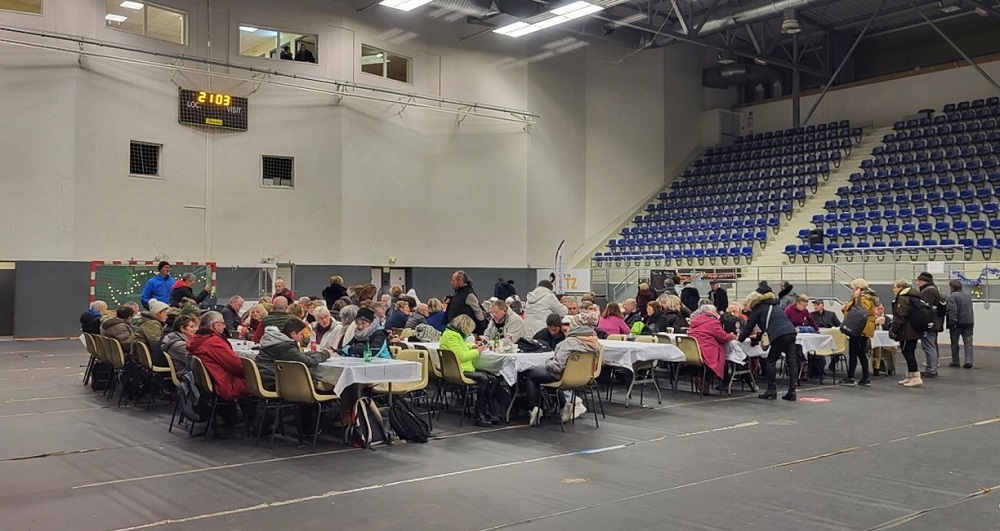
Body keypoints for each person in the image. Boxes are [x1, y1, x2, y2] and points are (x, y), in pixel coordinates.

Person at [521, 312, 600, 427]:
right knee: (549, 379)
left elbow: (557, 367)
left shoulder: (567, 343)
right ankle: (564, 406)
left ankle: (535, 409)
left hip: (563, 376)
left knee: (532, 375)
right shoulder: (594, 342)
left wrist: (548, 362)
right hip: (584, 377)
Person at [187, 311, 251, 433]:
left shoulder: (197, 339)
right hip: (223, 383)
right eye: (223, 323)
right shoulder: (214, 342)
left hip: (211, 381)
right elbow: (236, 366)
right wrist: (252, 373)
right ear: (215, 326)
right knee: (256, 381)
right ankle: (256, 422)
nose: (225, 326)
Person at [440, 314, 498, 427]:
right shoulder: (452, 336)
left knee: (492, 379)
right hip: (460, 370)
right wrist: (478, 351)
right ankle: (479, 413)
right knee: (484, 379)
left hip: (459, 368)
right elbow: (460, 356)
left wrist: (472, 346)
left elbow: (460, 347)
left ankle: (486, 411)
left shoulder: (452, 334)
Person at [739, 291, 798, 401]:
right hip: (791, 332)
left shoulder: (758, 308)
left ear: (752, 301)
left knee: (770, 360)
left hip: (779, 335)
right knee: (792, 361)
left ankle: (771, 390)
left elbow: (749, 326)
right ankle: (792, 391)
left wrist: (739, 340)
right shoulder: (774, 306)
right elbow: (774, 322)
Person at [255, 319, 331, 391]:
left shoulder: (275, 341)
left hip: (264, 378)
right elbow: (308, 361)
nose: (303, 337)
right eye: (301, 334)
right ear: (293, 334)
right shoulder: (285, 347)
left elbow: (298, 355)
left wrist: (316, 353)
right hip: (273, 382)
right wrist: (326, 354)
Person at [687, 304, 735, 394]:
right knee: (714, 358)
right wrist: (732, 335)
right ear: (711, 312)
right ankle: (706, 382)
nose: (716, 313)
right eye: (715, 311)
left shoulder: (695, 320)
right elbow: (723, 337)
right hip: (706, 349)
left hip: (693, 350)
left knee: (707, 360)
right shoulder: (713, 322)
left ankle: (699, 378)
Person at [840, 279, 878, 387]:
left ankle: (852, 377)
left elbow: (860, 311)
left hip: (859, 329)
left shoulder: (862, 299)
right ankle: (864, 378)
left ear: (859, 289)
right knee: (861, 353)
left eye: (854, 288)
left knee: (855, 353)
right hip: (863, 329)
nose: (852, 290)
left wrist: (847, 306)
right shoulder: (867, 298)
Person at [890, 279, 925, 387]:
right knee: (909, 352)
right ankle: (910, 376)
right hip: (914, 329)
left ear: (901, 287)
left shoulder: (903, 298)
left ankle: (915, 377)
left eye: (895, 287)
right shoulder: (914, 296)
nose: (893, 290)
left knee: (908, 353)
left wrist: (893, 330)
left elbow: (901, 315)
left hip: (906, 330)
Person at [916, 272, 945, 378]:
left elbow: (925, 308)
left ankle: (931, 369)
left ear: (925, 281)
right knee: (932, 345)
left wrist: (923, 322)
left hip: (930, 323)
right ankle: (932, 367)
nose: (917, 283)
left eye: (919, 281)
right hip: (935, 322)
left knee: (928, 346)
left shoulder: (928, 292)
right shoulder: (934, 289)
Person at [446, 270, 486, 335]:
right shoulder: (457, 293)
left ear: (460, 281)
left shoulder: (469, 295)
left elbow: (478, 312)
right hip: (455, 328)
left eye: (453, 280)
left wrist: (482, 329)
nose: (451, 282)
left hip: (464, 330)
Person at [946, 279, 975, 369]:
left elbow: (953, 310)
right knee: (968, 343)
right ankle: (968, 361)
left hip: (958, 322)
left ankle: (955, 361)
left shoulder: (953, 296)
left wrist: (952, 322)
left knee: (954, 343)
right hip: (969, 322)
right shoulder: (967, 296)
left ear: (952, 287)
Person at [133, 299, 169, 366]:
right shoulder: (152, 324)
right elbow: (156, 343)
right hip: (150, 358)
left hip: (145, 357)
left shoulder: (149, 322)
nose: (167, 316)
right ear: (158, 313)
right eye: (166, 313)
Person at [871, 302, 894, 376]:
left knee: (890, 347)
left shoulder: (887, 319)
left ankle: (890, 368)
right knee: (878, 347)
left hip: (885, 340)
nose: (881, 311)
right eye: (879, 309)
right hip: (871, 341)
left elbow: (891, 329)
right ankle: (876, 368)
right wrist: (875, 323)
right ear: (874, 309)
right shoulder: (870, 319)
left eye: (882, 309)